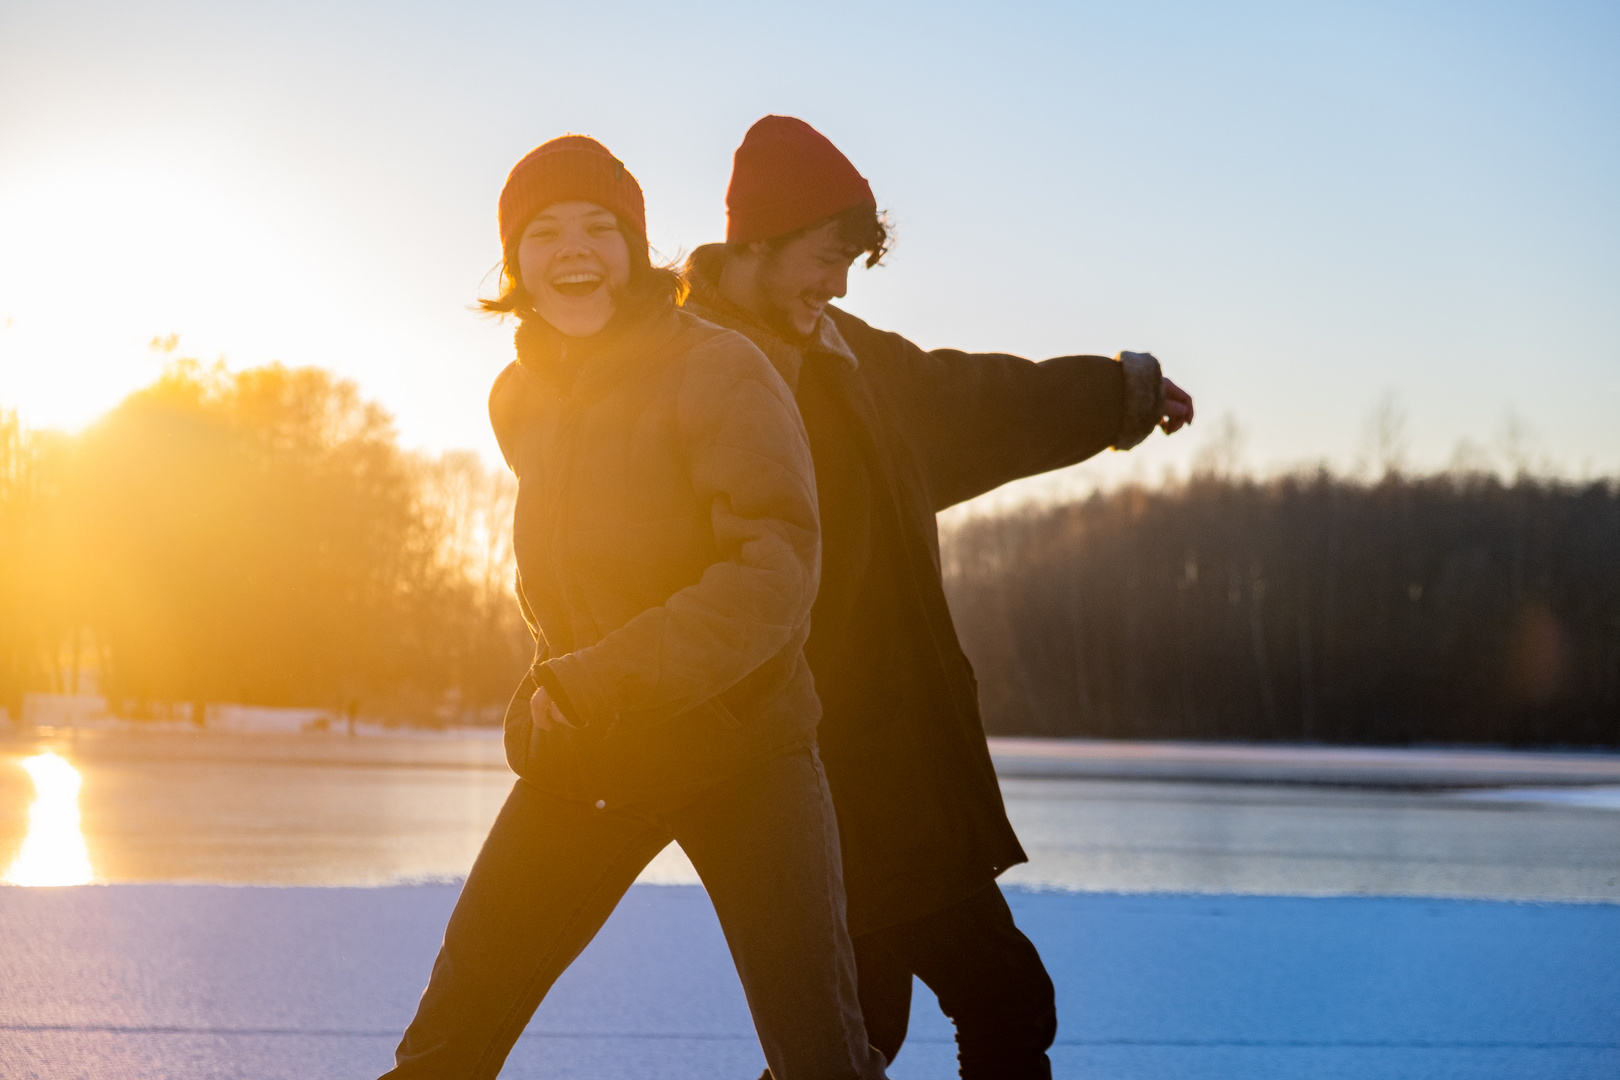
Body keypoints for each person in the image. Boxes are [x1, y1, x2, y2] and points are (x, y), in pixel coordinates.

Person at [682, 116, 1195, 1080]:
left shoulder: (852, 357)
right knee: (994, 1000)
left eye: (849, 266)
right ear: (759, 238)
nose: (836, 285)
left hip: (896, 758)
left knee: (853, 1034)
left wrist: (1115, 399)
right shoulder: (691, 366)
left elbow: (979, 404)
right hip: (811, 764)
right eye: (825, 258)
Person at [382, 135, 888, 1080]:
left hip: (747, 754)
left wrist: (590, 680)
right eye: (545, 232)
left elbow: (772, 576)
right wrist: (561, 682)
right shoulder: (519, 396)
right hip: (598, 750)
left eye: (599, 229)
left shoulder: (722, 369)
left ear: (636, 246)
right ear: (515, 261)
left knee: (821, 1059)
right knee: (448, 1042)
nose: (573, 250)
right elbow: (576, 570)